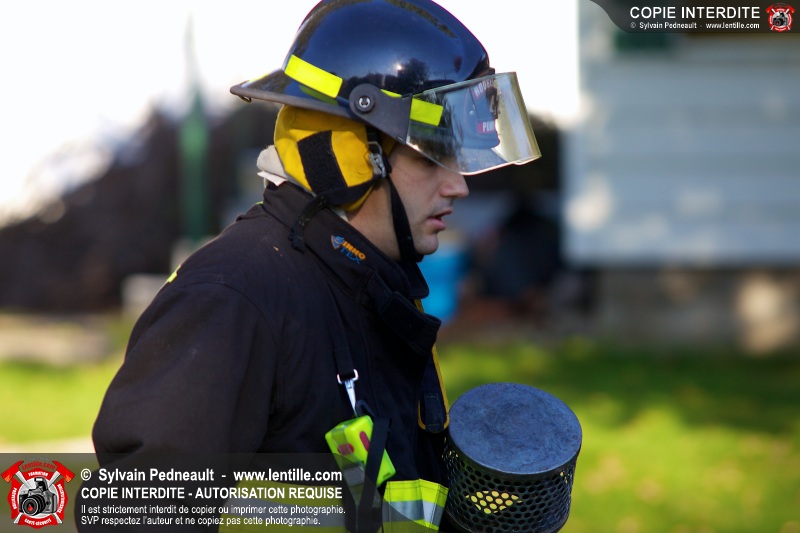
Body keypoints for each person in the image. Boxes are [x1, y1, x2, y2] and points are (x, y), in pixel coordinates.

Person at [91, 0, 540, 531]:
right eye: (429, 157)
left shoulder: (370, 291)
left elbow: (380, 508)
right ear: (350, 157)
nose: (458, 186)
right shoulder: (236, 297)